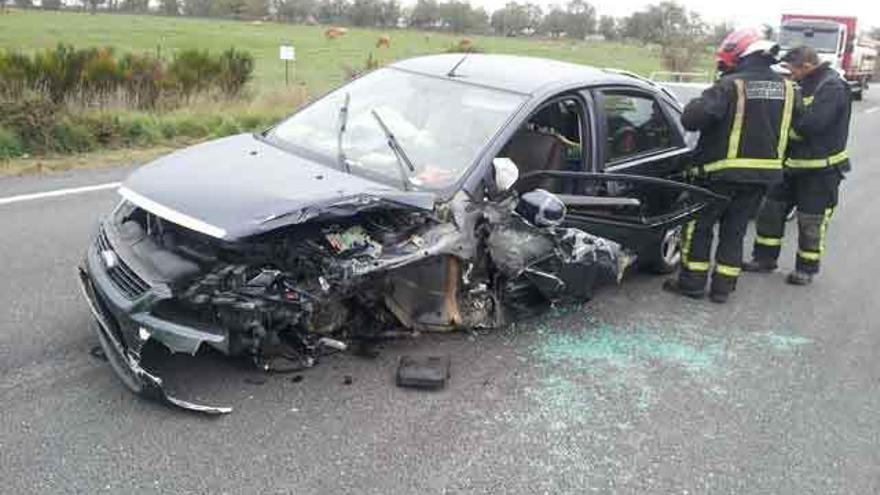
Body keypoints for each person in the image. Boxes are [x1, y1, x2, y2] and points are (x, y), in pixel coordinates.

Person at [663, 28, 796, 303]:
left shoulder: (729, 86)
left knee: (698, 227)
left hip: (718, 175)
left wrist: (704, 97)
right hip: (761, 178)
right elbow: (799, 127)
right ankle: (723, 288)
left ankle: (692, 283)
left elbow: (691, 119)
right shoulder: (788, 89)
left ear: (740, 55)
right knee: (734, 231)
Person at [743, 45, 852, 285]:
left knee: (810, 222)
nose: (790, 73)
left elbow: (812, 125)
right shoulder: (803, 83)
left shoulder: (832, 86)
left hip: (820, 172)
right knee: (770, 212)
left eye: (793, 69)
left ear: (807, 66)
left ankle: (806, 269)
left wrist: (780, 131)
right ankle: (764, 258)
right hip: (790, 167)